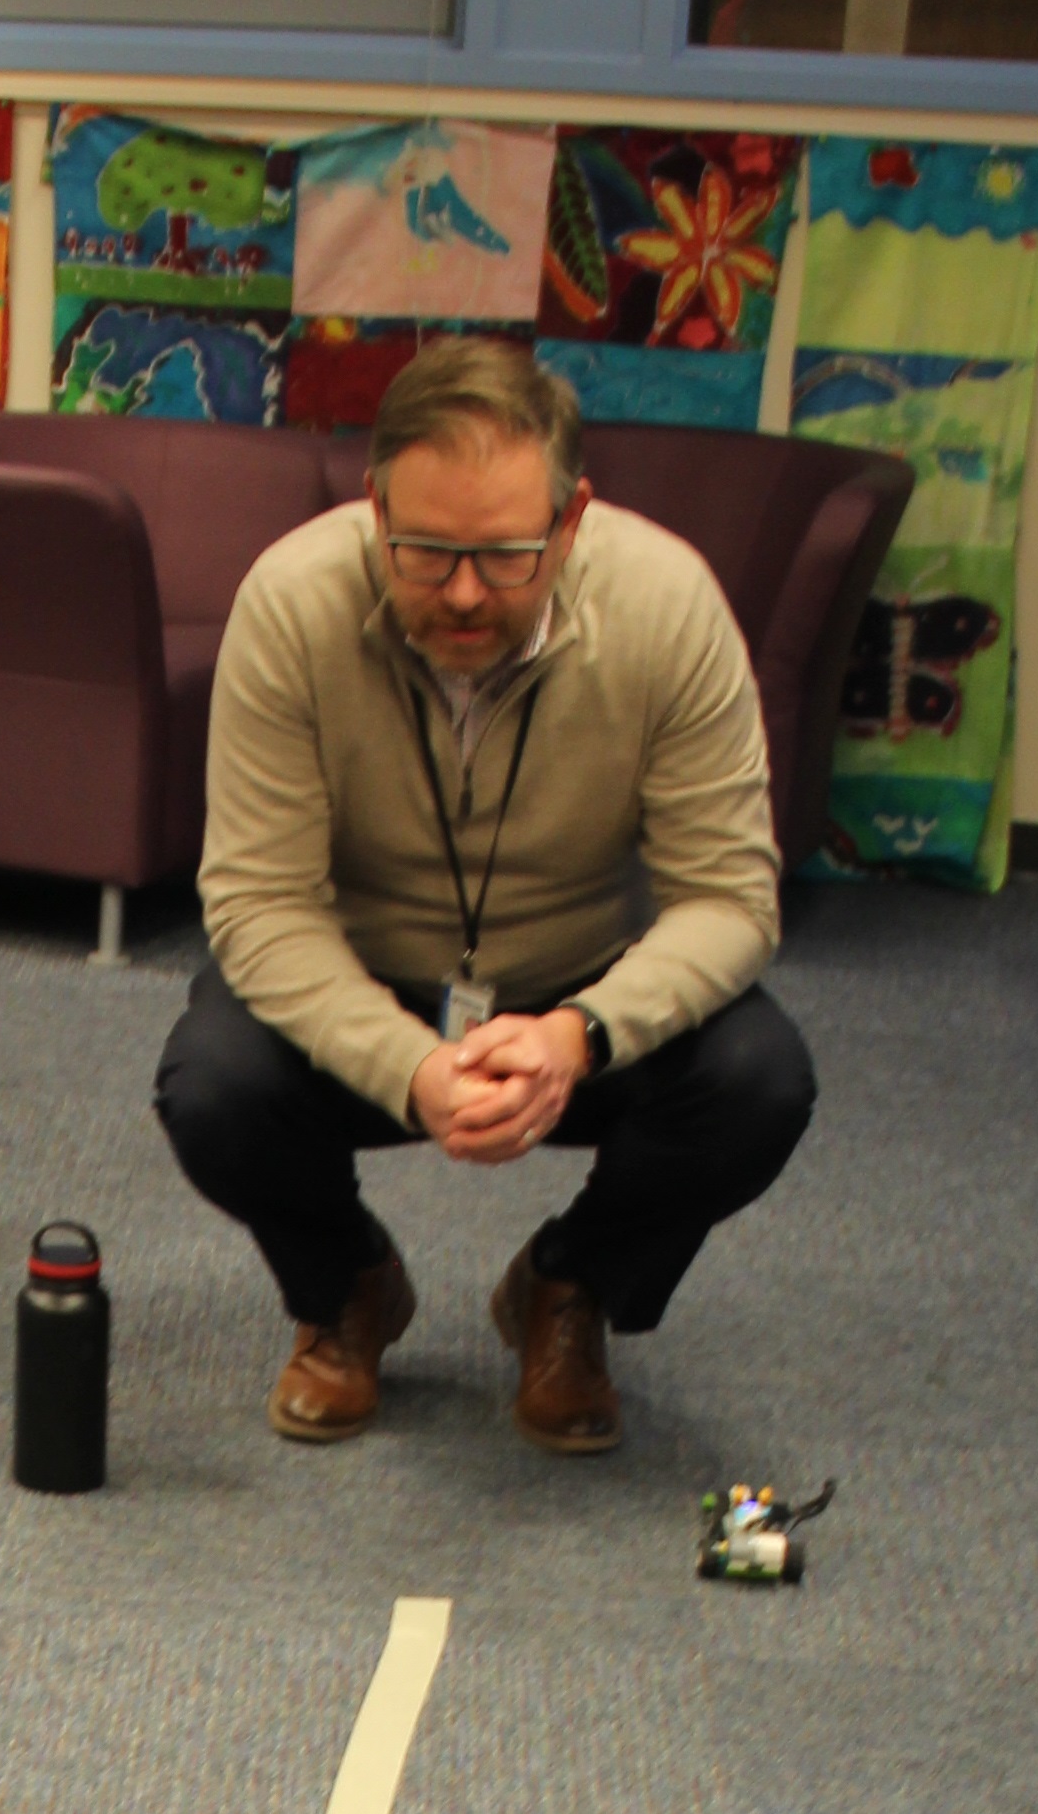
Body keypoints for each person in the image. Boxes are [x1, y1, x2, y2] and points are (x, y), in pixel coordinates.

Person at [157, 334, 813, 1457]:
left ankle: (569, 1288)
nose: (464, 593)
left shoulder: (669, 603)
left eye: (508, 555)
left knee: (760, 1082)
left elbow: (732, 899)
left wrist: (579, 1036)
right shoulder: (291, 602)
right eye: (423, 552)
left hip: (578, 996)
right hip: (366, 986)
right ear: (373, 508)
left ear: (572, 519)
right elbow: (260, 905)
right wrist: (407, 1066)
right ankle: (348, 1288)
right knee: (211, 1087)